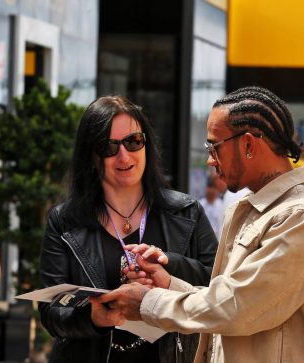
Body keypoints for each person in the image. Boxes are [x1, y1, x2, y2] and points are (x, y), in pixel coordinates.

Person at [99, 86, 304, 362]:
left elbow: (238, 307)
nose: (209, 160)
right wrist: (169, 285)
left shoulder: (303, 217)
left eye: (214, 147)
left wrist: (147, 303)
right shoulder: (253, 209)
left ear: (249, 144)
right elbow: (230, 299)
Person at [38, 95, 218, 362]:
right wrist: (93, 318)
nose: (124, 155)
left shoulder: (186, 212)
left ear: (146, 145)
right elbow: (51, 313)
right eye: (109, 147)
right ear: (91, 156)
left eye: (134, 142)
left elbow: (219, 287)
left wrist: (169, 271)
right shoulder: (65, 221)